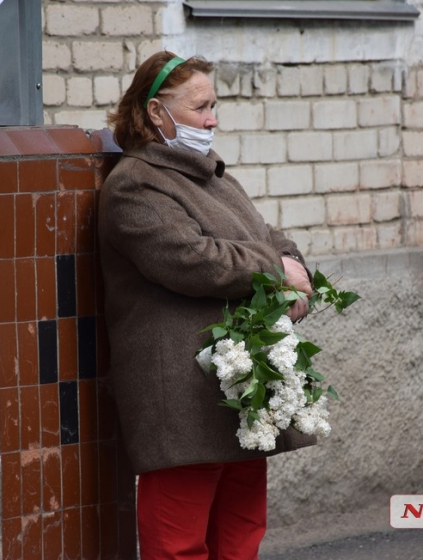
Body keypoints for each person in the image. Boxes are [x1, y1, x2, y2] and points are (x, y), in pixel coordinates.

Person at [98, 51, 315, 559]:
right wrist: (273, 269)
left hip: (237, 388)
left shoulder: (212, 175)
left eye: (214, 105)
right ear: (156, 112)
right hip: (179, 398)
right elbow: (191, 260)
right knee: (178, 545)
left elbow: (269, 237)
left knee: (241, 536)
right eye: (201, 107)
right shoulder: (135, 184)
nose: (212, 118)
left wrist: (293, 279)